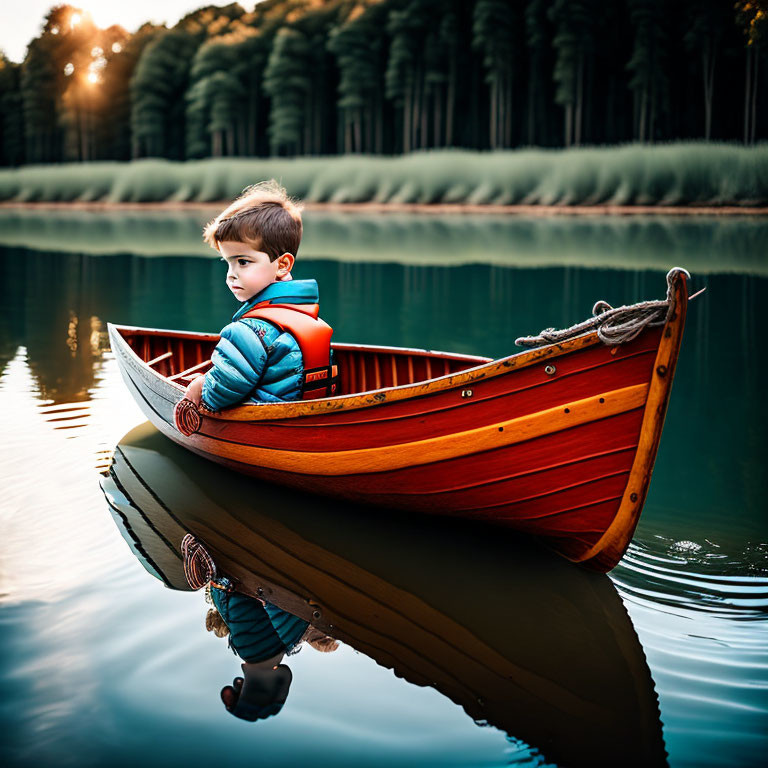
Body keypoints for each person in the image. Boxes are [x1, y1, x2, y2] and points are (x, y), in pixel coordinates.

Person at [181, 180, 336, 413]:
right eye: (228, 263)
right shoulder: (304, 312)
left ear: (283, 264)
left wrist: (201, 388)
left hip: (271, 421)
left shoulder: (250, 330)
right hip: (307, 413)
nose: (231, 276)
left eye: (243, 262)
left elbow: (224, 389)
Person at [181, 533, 338, 722]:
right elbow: (242, 605)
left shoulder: (283, 645)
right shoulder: (248, 650)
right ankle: (204, 567)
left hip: (265, 589)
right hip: (238, 585)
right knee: (220, 596)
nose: (238, 682)